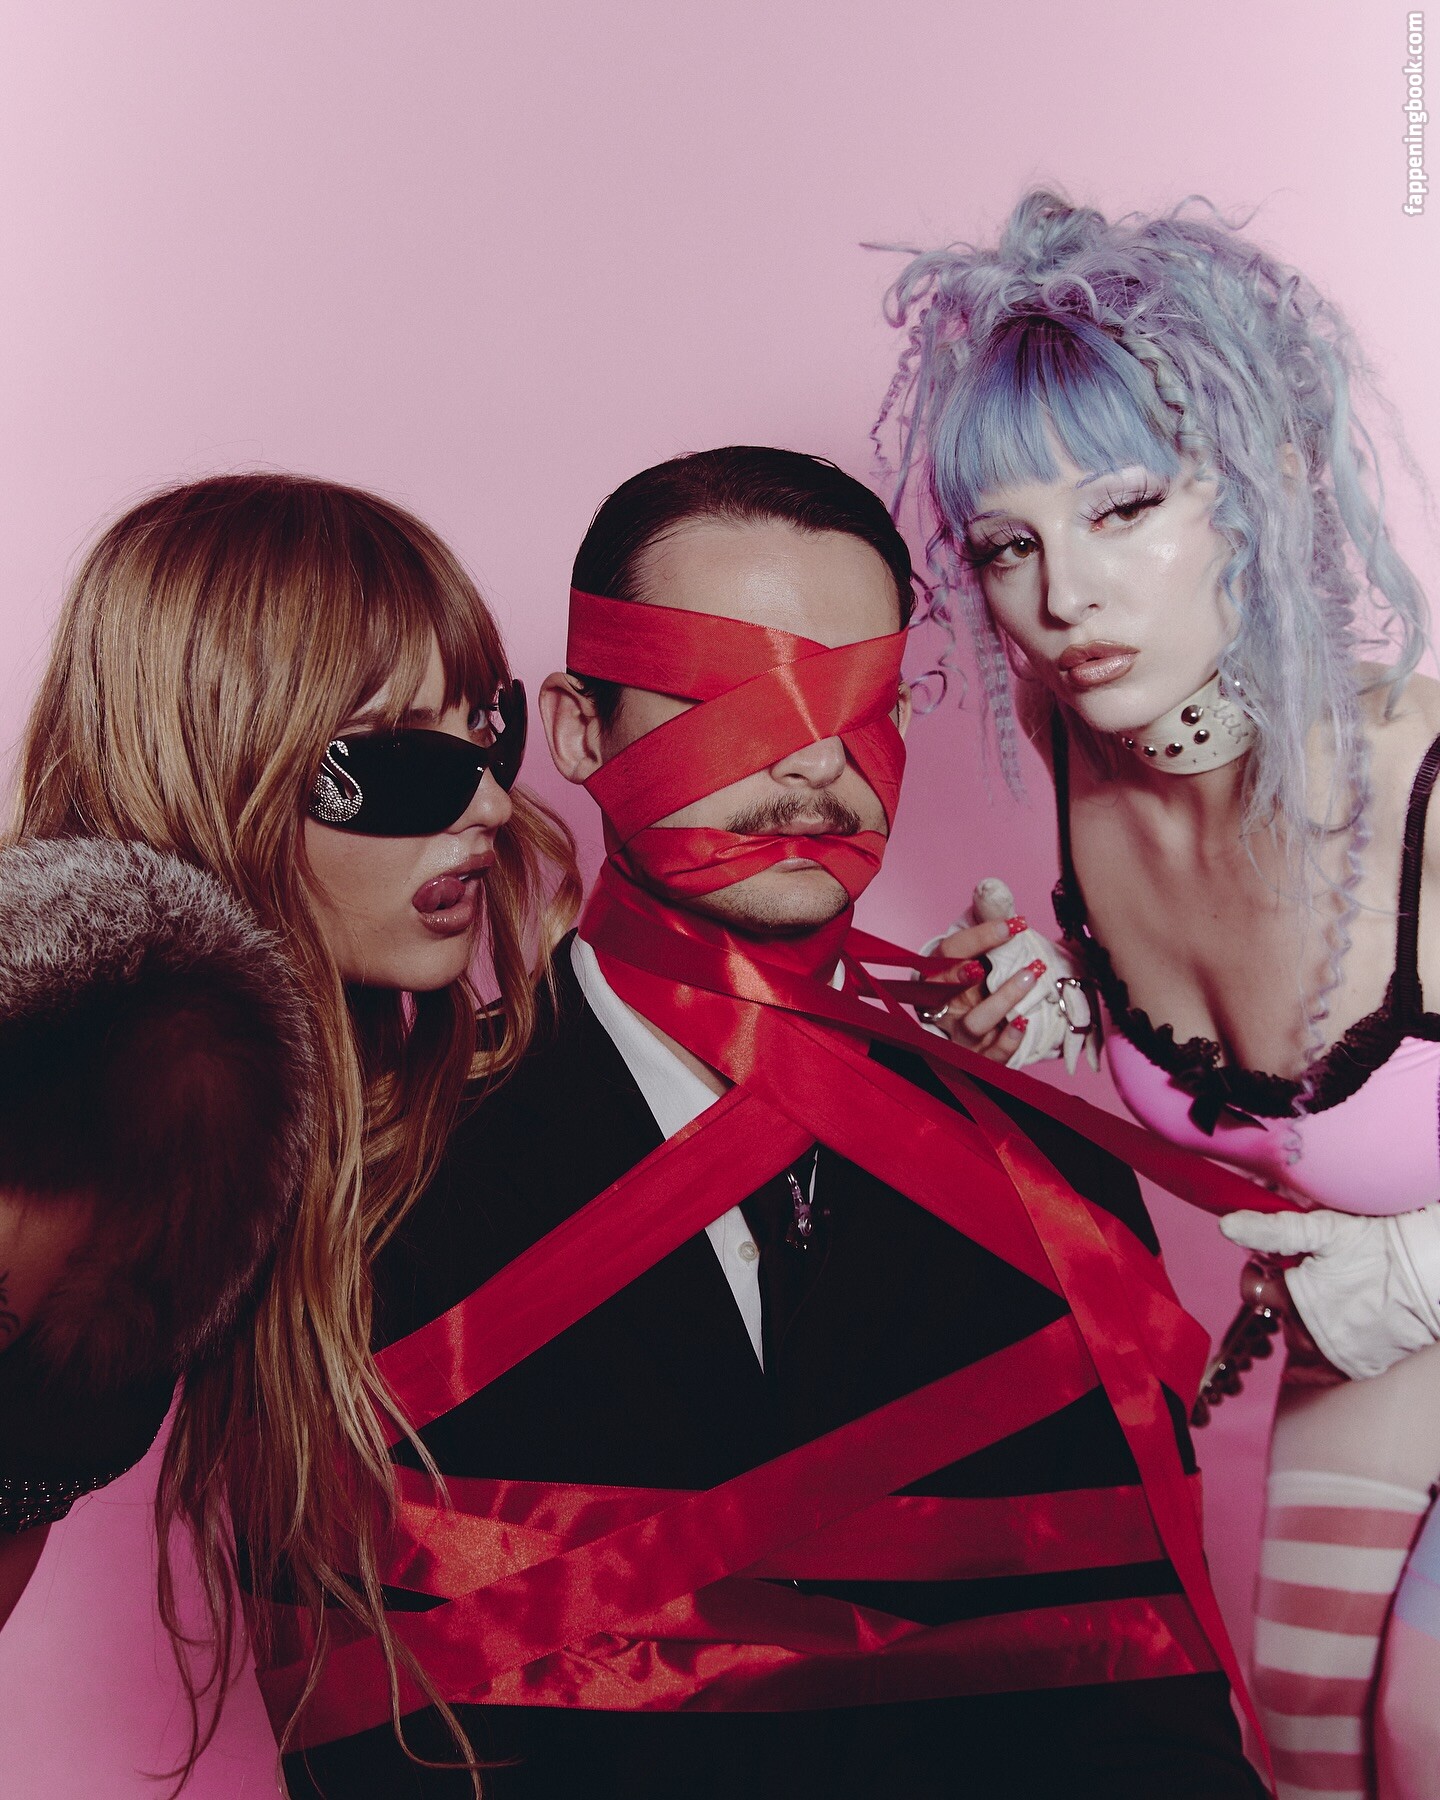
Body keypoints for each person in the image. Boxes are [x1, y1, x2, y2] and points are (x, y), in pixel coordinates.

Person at [264, 444, 1269, 1800]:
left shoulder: (1053, 1181)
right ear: (576, 732)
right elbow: (376, 1730)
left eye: (861, 700)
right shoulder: (369, 1176)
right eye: (720, 698)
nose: (811, 763)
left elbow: (1147, 1714)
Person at [879, 189, 1440, 1800]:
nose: (1064, 597)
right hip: (1363, 1374)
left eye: (1124, 509)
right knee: (1299, 1755)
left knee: (1424, 1725)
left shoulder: (1425, 791)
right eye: (1009, 545)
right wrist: (1063, 1005)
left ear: (1269, 491)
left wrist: (1411, 1264)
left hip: (1396, 1330)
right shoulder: (1079, 751)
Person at [5, 473, 579, 1785]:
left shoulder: (286, 1086)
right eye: (399, 759)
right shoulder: (95, 1086)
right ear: (216, 765)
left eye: (488, 735)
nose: (491, 807)